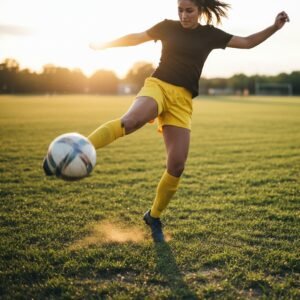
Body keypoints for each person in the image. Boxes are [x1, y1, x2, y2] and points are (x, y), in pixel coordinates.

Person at [44, 0, 289, 242]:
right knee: (131, 121)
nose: (184, 15)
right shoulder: (167, 27)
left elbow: (246, 43)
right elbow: (136, 37)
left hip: (182, 101)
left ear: (201, 10)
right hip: (158, 86)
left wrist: (274, 27)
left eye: (189, 10)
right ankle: (74, 151)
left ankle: (154, 216)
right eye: (180, 10)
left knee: (177, 165)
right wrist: (106, 44)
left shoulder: (210, 35)